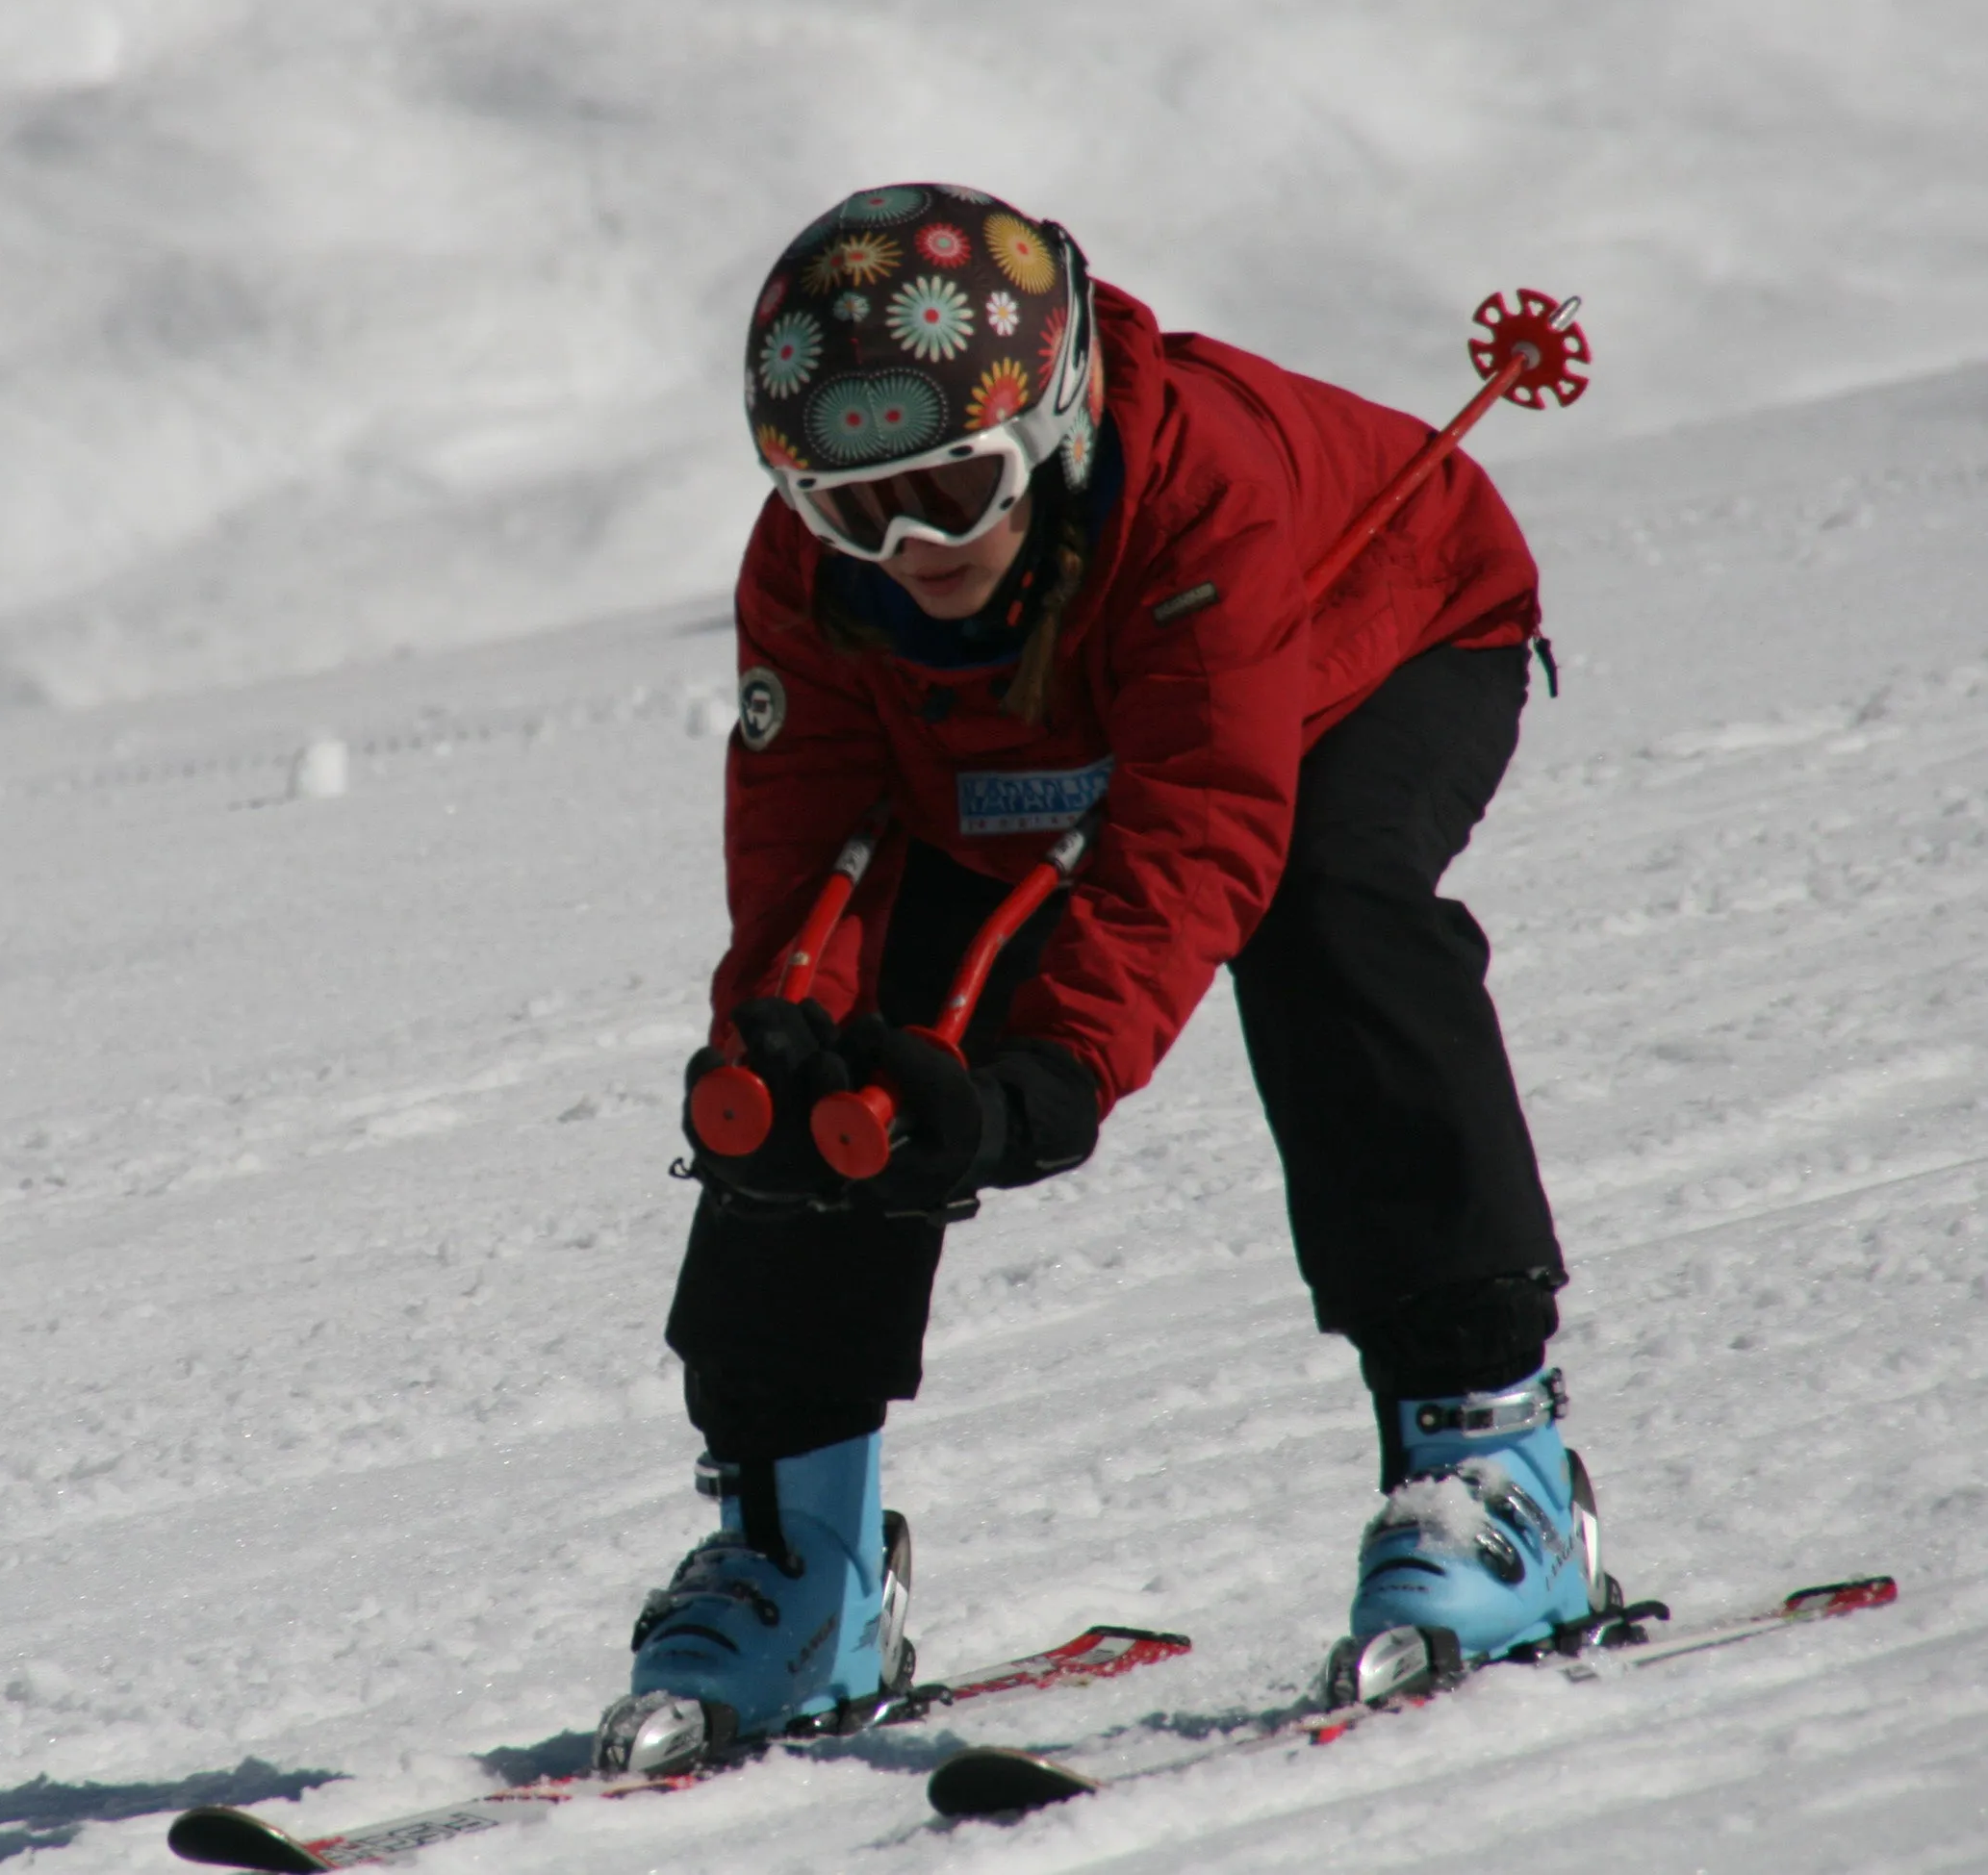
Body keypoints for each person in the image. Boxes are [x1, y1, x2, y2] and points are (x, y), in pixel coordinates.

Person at [597, 184, 1610, 1776]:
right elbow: (809, 846)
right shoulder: (811, 574)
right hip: (1013, 733)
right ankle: (805, 1561)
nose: (906, 546)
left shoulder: (1203, 491)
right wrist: (775, 1049)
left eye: (952, 489)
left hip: (1375, 645)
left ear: (1055, 423)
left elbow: (1199, 820)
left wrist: (1050, 1072)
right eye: (852, 506)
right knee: (816, 1059)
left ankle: (1495, 1466)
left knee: (1325, 911)